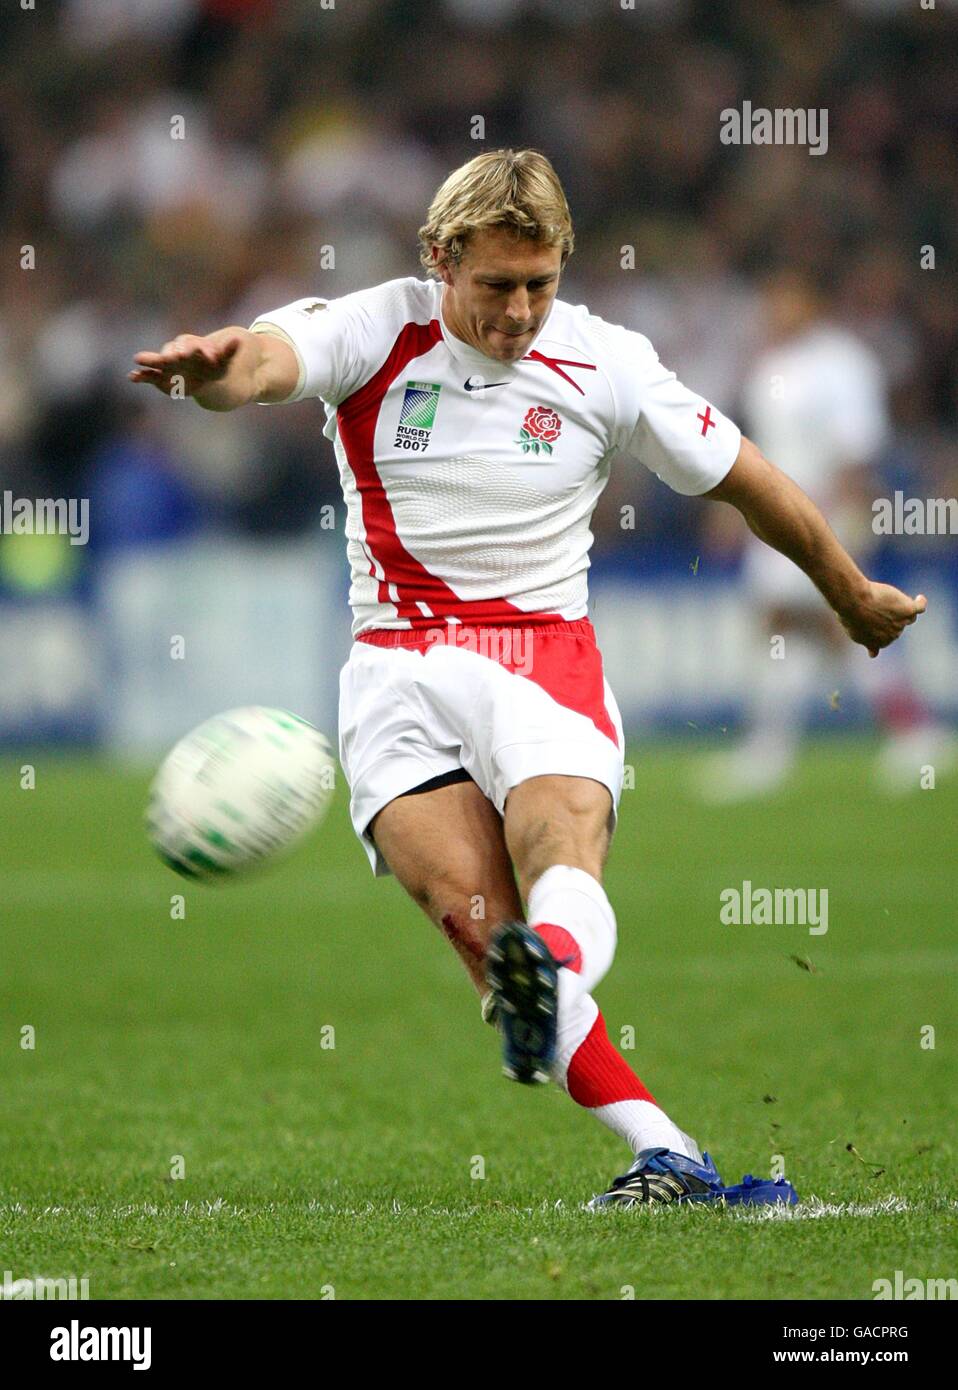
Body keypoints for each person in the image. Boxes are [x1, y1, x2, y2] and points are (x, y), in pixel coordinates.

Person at [129, 149, 925, 1208]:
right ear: (439, 258)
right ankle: (669, 1152)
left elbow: (748, 479)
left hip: (539, 657)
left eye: (538, 285)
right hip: (395, 673)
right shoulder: (379, 327)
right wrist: (214, 373)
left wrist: (846, 590)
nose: (517, 310)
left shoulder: (608, 362)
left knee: (559, 861)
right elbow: (267, 359)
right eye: (495, 285)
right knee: (483, 937)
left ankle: (555, 970)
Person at [699, 267, 951, 802]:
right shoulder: (770, 363)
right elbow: (758, 448)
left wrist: (851, 514)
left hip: (824, 514)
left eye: (785, 298)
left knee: (833, 618)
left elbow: (859, 446)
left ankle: (899, 732)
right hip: (775, 515)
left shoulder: (841, 363)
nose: (775, 310)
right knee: (793, 623)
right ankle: (782, 746)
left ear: (809, 301)